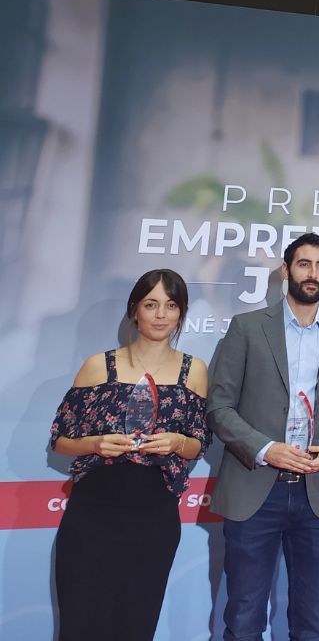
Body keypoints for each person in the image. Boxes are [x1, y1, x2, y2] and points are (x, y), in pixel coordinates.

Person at [206, 232, 319, 641]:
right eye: (303, 264)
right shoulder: (246, 328)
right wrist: (266, 448)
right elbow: (219, 408)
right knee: (244, 620)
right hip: (255, 489)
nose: (312, 274)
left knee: (311, 623)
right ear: (285, 270)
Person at [50, 269, 209, 641]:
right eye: (151, 304)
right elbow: (60, 438)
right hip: (93, 512)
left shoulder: (194, 371)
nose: (160, 314)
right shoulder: (98, 365)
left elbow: (200, 441)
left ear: (181, 314)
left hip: (153, 516)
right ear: (134, 310)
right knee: (80, 622)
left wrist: (176, 443)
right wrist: (95, 443)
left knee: (136, 622)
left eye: (170, 306)